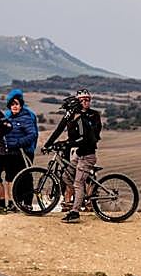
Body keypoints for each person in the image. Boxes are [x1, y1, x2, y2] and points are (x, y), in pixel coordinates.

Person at [42, 88, 103, 223]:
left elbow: (90, 136)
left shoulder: (88, 117)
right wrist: (47, 144)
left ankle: (75, 211)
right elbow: (58, 130)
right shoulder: (72, 116)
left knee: (79, 182)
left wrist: (66, 143)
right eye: (82, 100)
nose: (85, 102)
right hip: (77, 151)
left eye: (88, 99)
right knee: (66, 176)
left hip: (87, 152)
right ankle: (79, 200)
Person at [3, 88, 39, 210]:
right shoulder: (7, 117)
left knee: (25, 177)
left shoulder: (26, 117)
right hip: (11, 152)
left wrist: (18, 143)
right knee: (11, 178)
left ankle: (27, 203)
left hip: (24, 152)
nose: (14, 106)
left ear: (21, 105)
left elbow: (32, 134)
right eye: (12, 104)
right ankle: (14, 203)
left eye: (17, 104)